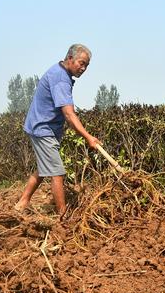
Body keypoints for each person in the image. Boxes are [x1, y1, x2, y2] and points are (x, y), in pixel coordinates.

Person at [15, 44, 101, 217]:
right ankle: (63, 216)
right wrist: (88, 137)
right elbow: (69, 115)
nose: (83, 68)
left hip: (42, 126)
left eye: (86, 65)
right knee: (57, 173)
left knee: (44, 167)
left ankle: (22, 203)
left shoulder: (60, 72)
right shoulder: (61, 79)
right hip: (43, 128)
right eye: (81, 63)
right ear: (70, 58)